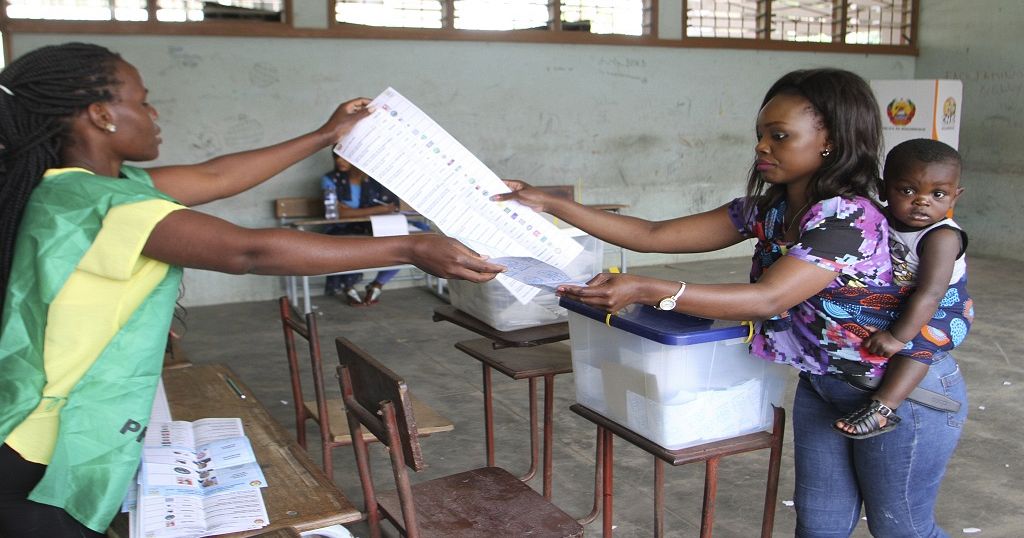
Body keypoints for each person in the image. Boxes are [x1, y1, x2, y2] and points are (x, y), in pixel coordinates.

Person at [0, 42, 502, 537]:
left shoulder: (80, 187)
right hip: (44, 445)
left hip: (37, 415)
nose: (155, 113)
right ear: (101, 116)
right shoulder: (104, 206)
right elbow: (249, 252)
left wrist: (327, 133)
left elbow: (217, 176)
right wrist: (408, 248)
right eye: (142, 99)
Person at [494, 68, 967, 537]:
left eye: (779, 135)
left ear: (832, 141)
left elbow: (768, 298)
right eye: (761, 134)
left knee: (902, 529)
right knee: (819, 524)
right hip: (824, 386)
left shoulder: (848, 219)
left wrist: (652, 290)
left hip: (906, 397)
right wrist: (550, 204)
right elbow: (651, 234)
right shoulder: (770, 210)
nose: (762, 146)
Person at [834, 138, 972, 439]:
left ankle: (884, 408)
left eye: (938, 194)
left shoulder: (941, 237)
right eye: (908, 190)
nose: (922, 201)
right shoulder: (881, 217)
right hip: (906, 297)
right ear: (884, 190)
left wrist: (897, 338)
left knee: (919, 341)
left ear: (954, 198)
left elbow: (930, 294)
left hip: (945, 307)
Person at [320, 155, 425, 306]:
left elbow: (392, 206)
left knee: (418, 233)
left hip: (375, 224)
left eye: (344, 157)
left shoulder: (375, 180)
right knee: (349, 240)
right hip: (343, 227)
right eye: (336, 157)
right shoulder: (330, 179)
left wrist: (355, 210)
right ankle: (348, 286)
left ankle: (378, 283)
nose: (339, 161)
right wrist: (376, 209)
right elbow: (334, 213)